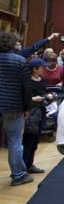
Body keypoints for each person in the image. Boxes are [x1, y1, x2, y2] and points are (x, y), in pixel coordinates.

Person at [0, 31, 33, 186]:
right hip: (13, 106)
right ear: (14, 43)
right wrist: (28, 107)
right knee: (14, 141)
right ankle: (18, 175)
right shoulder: (20, 61)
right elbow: (26, 88)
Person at [23, 58, 50, 174]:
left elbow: (43, 92)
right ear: (35, 69)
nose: (45, 69)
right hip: (30, 112)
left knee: (35, 140)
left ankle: (29, 164)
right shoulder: (27, 81)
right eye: (42, 67)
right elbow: (22, 96)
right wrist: (34, 98)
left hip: (40, 111)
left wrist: (47, 96)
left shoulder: (41, 80)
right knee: (28, 140)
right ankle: (23, 166)